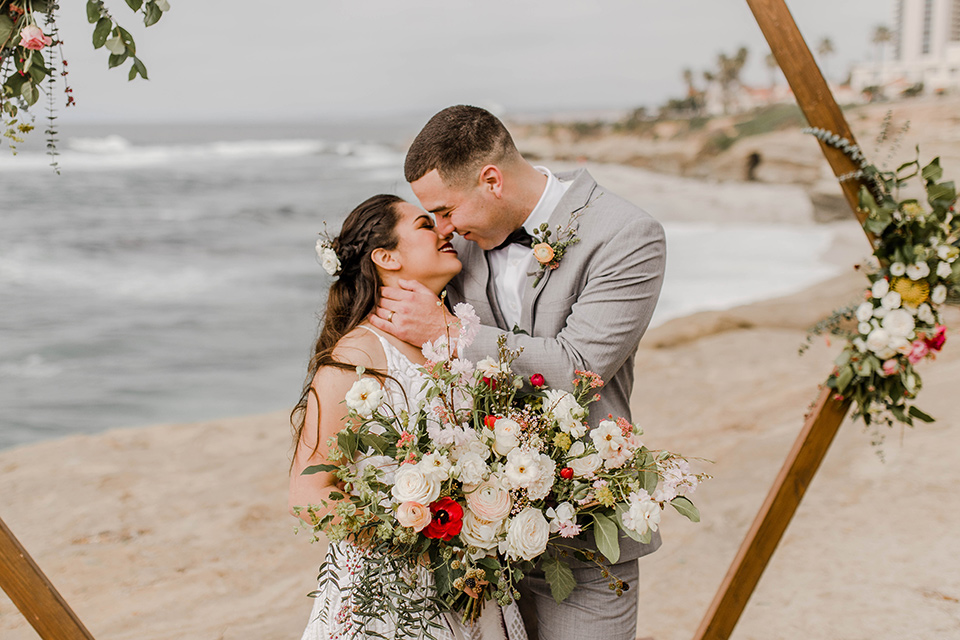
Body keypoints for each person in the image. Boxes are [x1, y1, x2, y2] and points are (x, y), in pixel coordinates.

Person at [370, 105, 667, 640]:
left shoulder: (626, 233)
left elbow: (582, 369)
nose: (443, 227)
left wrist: (451, 333)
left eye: (445, 209)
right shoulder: (456, 246)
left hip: (585, 527)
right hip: (471, 538)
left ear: (491, 180)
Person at [289, 194, 527, 640]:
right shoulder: (359, 355)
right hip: (386, 594)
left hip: (470, 578)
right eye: (424, 224)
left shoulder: (457, 338)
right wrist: (408, 541)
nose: (444, 230)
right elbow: (307, 492)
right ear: (386, 257)